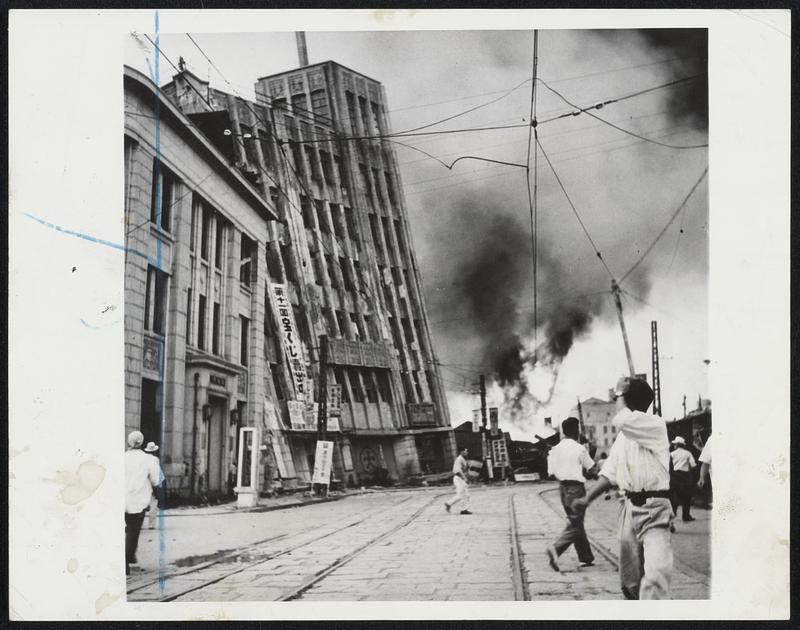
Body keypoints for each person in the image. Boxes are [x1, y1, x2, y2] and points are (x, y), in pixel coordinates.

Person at [573, 376, 673, 600]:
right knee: (631, 581)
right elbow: (608, 475)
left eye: (621, 400)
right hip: (628, 509)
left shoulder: (655, 425)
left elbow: (621, 419)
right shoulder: (623, 439)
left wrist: (619, 393)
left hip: (655, 508)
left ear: (626, 401)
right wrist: (587, 499)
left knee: (656, 575)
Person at [545, 417, 595, 572]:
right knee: (575, 524)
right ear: (576, 430)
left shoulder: (554, 449)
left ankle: (585, 557)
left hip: (563, 489)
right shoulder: (579, 448)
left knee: (576, 522)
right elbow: (591, 468)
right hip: (576, 488)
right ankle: (556, 549)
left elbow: (551, 472)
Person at [125, 430, 163, 575]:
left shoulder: (121, 458)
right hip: (138, 501)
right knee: (133, 530)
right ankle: (127, 559)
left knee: (126, 529)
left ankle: (128, 558)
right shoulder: (149, 460)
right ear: (141, 442)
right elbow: (156, 480)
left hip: (121, 500)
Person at [669, 436, 697, 524]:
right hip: (685, 476)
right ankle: (686, 516)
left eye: (674, 444)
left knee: (674, 498)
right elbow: (693, 465)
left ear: (677, 445)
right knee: (686, 497)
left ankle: (672, 517)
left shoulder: (671, 454)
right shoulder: (688, 453)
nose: (674, 446)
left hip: (674, 476)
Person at [444, 447, 472, 515]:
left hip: (461, 479)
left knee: (466, 494)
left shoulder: (463, 459)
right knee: (460, 495)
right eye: (465, 451)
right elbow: (458, 470)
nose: (467, 452)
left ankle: (463, 509)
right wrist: (464, 478)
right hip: (458, 478)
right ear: (461, 452)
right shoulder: (459, 459)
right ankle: (449, 503)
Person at [144, 442, 161, 529]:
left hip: (143, 483)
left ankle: (139, 523)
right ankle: (151, 524)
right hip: (152, 483)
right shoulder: (155, 459)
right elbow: (157, 473)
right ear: (154, 451)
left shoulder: (142, 458)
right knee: (153, 504)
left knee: (141, 504)